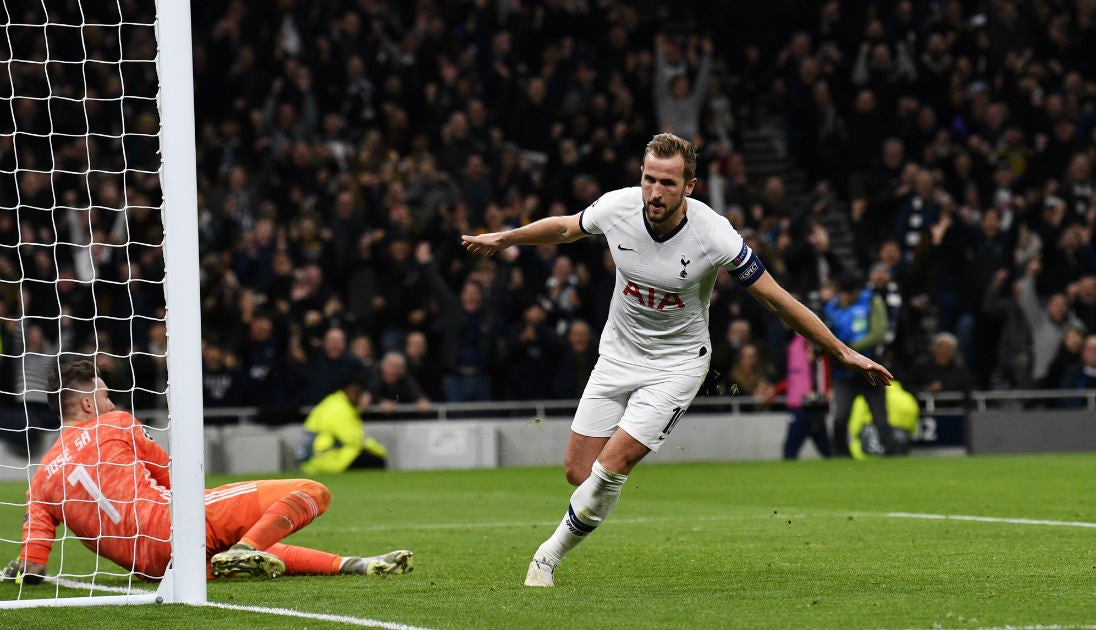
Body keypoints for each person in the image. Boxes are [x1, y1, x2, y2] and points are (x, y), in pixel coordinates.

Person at [461, 133, 892, 588]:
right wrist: (506, 237)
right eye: (649, 179)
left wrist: (842, 352)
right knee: (578, 472)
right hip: (616, 355)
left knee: (612, 466)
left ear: (689, 186)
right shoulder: (617, 207)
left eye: (667, 183)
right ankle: (589, 507)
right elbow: (567, 228)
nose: (655, 192)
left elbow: (778, 301)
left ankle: (546, 558)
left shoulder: (714, 234)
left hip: (678, 365)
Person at [2, 360, 411, 585]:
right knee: (313, 490)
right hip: (171, 527)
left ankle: (351, 564)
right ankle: (246, 548)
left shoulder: (41, 477)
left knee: (234, 542)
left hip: (150, 569)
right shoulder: (116, 423)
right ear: (89, 405)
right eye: (105, 395)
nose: (111, 403)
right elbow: (172, 479)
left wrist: (20, 569)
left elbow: (34, 563)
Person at [822, 269, 898, 457]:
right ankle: (841, 456)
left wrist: (850, 350)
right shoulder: (831, 308)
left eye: (852, 293)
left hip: (870, 371)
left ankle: (892, 456)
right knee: (840, 418)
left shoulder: (872, 301)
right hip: (843, 374)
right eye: (846, 293)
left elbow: (879, 333)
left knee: (880, 419)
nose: (849, 297)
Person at [298, 370, 388, 473]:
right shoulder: (340, 408)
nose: (358, 397)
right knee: (376, 461)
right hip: (324, 458)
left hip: (317, 457)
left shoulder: (334, 402)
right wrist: (381, 451)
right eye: (357, 393)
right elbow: (354, 440)